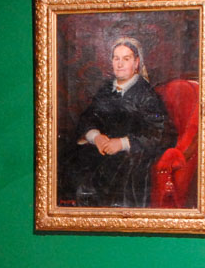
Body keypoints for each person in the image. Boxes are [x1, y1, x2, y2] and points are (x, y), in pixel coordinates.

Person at [63, 38, 174, 208]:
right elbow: (87, 118)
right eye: (116, 58)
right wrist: (96, 136)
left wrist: (122, 143)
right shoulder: (107, 89)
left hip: (130, 158)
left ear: (136, 63)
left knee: (103, 183)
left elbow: (159, 134)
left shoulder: (147, 95)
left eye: (126, 59)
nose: (120, 64)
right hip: (100, 150)